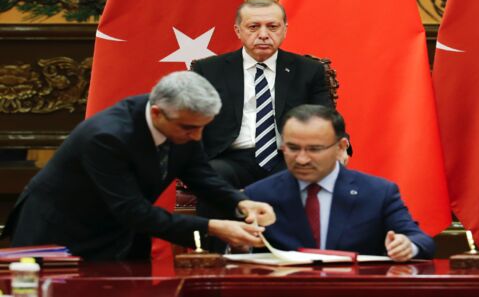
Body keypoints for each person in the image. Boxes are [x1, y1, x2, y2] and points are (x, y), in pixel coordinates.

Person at [0, 71, 276, 260]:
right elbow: (132, 210)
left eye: (204, 127)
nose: (197, 137)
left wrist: (240, 204)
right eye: (190, 128)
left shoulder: (183, 122)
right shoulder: (106, 137)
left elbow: (202, 176)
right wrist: (214, 227)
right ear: (157, 113)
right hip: (59, 236)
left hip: (115, 236)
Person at [191, 0, 336, 214]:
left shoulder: (308, 70)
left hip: (288, 156)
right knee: (212, 175)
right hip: (228, 158)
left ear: (285, 30)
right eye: (253, 27)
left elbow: (327, 117)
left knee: (305, 171)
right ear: (238, 31)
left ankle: (295, 247)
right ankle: (219, 244)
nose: (263, 34)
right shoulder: (209, 70)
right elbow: (190, 121)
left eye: (273, 26)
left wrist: (341, 147)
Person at [245, 105, 434, 261]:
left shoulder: (378, 192)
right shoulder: (259, 195)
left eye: (314, 149)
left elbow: (421, 241)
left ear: (341, 147)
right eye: (293, 148)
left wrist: (407, 246)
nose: (302, 159)